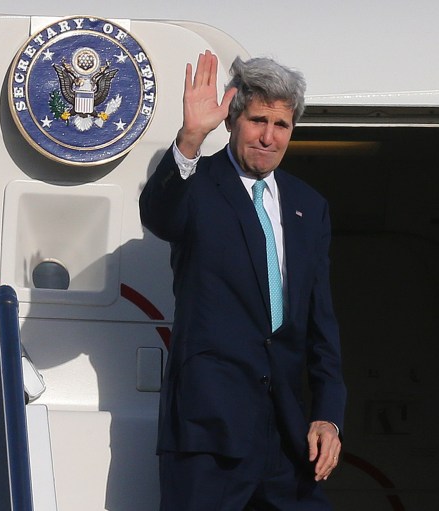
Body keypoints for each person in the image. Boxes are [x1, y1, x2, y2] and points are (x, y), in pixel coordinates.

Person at [140, 50, 346, 510]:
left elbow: (321, 324)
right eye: (258, 121)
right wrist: (191, 138)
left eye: (281, 126)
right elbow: (159, 215)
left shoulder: (308, 206)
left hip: (288, 440)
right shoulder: (199, 185)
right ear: (233, 120)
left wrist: (329, 417)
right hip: (208, 431)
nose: (269, 138)